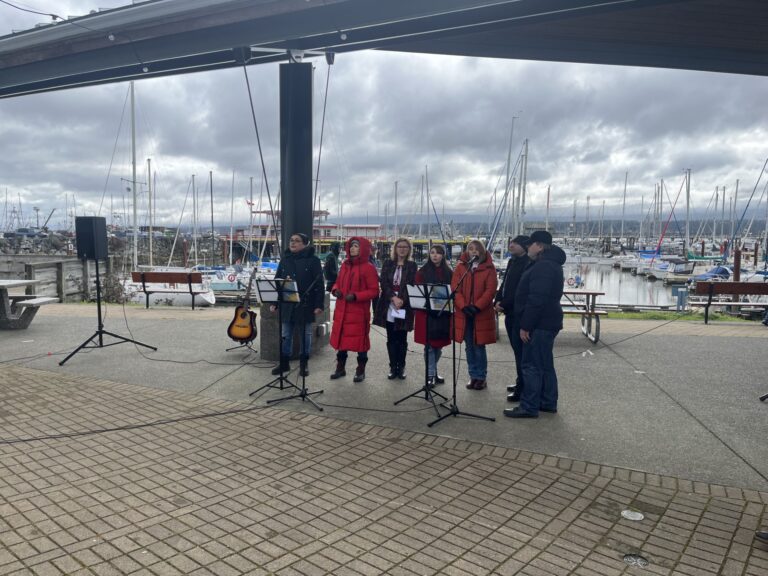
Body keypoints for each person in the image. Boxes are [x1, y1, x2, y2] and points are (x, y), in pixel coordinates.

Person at [505, 230, 566, 418]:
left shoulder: (543, 266)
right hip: (548, 321)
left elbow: (536, 299)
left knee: (531, 365)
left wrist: (526, 326)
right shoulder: (547, 263)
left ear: (539, 246)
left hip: (539, 324)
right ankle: (547, 402)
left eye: (530, 244)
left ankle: (529, 406)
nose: (527, 247)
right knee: (545, 364)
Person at [270, 232, 324, 377]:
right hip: (287, 303)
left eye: (297, 241)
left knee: (305, 334)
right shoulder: (285, 259)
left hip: (306, 304)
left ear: (305, 243)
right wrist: (275, 302)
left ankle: (303, 364)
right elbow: (278, 282)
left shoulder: (313, 260)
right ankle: (284, 363)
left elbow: (319, 284)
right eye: (291, 240)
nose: (293, 243)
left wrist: (319, 305)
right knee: (286, 334)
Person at [329, 237, 379, 382]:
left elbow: (374, 291)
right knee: (341, 342)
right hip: (342, 310)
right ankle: (340, 367)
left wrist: (356, 296)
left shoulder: (369, 268)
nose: (352, 248)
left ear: (362, 248)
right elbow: (337, 283)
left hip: (358, 312)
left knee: (360, 343)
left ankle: (360, 370)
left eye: (356, 246)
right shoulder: (344, 265)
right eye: (351, 246)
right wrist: (335, 290)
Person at [451, 239, 497, 390]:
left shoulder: (489, 269)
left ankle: (481, 377)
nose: (474, 251)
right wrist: (463, 306)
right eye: (471, 249)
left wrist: (477, 307)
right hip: (464, 313)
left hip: (480, 313)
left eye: (477, 249)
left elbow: (490, 290)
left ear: (482, 251)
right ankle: (473, 376)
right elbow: (455, 289)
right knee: (469, 346)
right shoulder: (461, 268)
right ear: (467, 252)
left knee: (479, 346)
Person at [374, 238, 417, 379]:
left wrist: (402, 300)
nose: (402, 249)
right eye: (400, 246)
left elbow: (411, 283)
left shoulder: (412, 265)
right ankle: (393, 367)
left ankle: (401, 366)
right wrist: (393, 297)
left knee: (402, 337)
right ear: (395, 248)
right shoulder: (388, 264)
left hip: (404, 304)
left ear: (409, 249)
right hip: (389, 303)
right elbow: (384, 283)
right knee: (391, 337)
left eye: (405, 247)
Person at [494, 235, 531, 402]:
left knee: (521, 354)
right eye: (511, 242)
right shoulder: (512, 261)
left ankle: (523, 388)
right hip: (509, 312)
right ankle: (519, 382)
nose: (511, 245)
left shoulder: (527, 263)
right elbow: (505, 283)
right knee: (517, 352)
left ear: (524, 246)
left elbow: (519, 289)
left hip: (518, 313)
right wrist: (497, 299)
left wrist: (504, 303)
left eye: (515, 243)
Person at [413, 245, 453, 386]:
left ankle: (433, 371)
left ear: (443, 255)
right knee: (429, 346)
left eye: (438, 253)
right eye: (432, 253)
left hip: (443, 314)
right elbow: (418, 291)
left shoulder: (449, 272)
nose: (435, 255)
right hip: (426, 314)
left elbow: (453, 292)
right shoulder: (422, 272)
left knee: (439, 346)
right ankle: (429, 375)